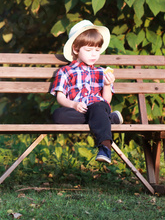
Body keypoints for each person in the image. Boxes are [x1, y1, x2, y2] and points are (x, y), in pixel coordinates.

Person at [50, 20, 123, 164]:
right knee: (58, 115)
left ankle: (105, 147)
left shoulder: (101, 72)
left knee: (98, 107)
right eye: (88, 50)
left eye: (97, 50)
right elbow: (60, 97)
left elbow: (106, 100)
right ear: (76, 49)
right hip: (79, 109)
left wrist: (107, 85)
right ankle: (108, 119)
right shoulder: (65, 71)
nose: (94, 54)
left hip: (98, 106)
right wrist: (73, 105)